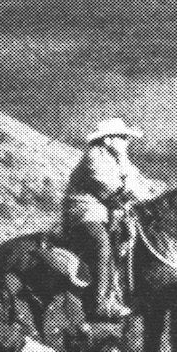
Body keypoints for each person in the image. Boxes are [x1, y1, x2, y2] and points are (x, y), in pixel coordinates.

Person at [62, 117, 154, 321]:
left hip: (108, 216)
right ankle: (101, 304)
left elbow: (138, 182)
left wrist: (150, 194)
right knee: (101, 245)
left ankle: (123, 294)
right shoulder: (93, 157)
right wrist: (138, 195)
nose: (126, 141)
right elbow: (112, 191)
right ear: (107, 140)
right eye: (122, 137)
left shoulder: (121, 159)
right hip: (84, 214)